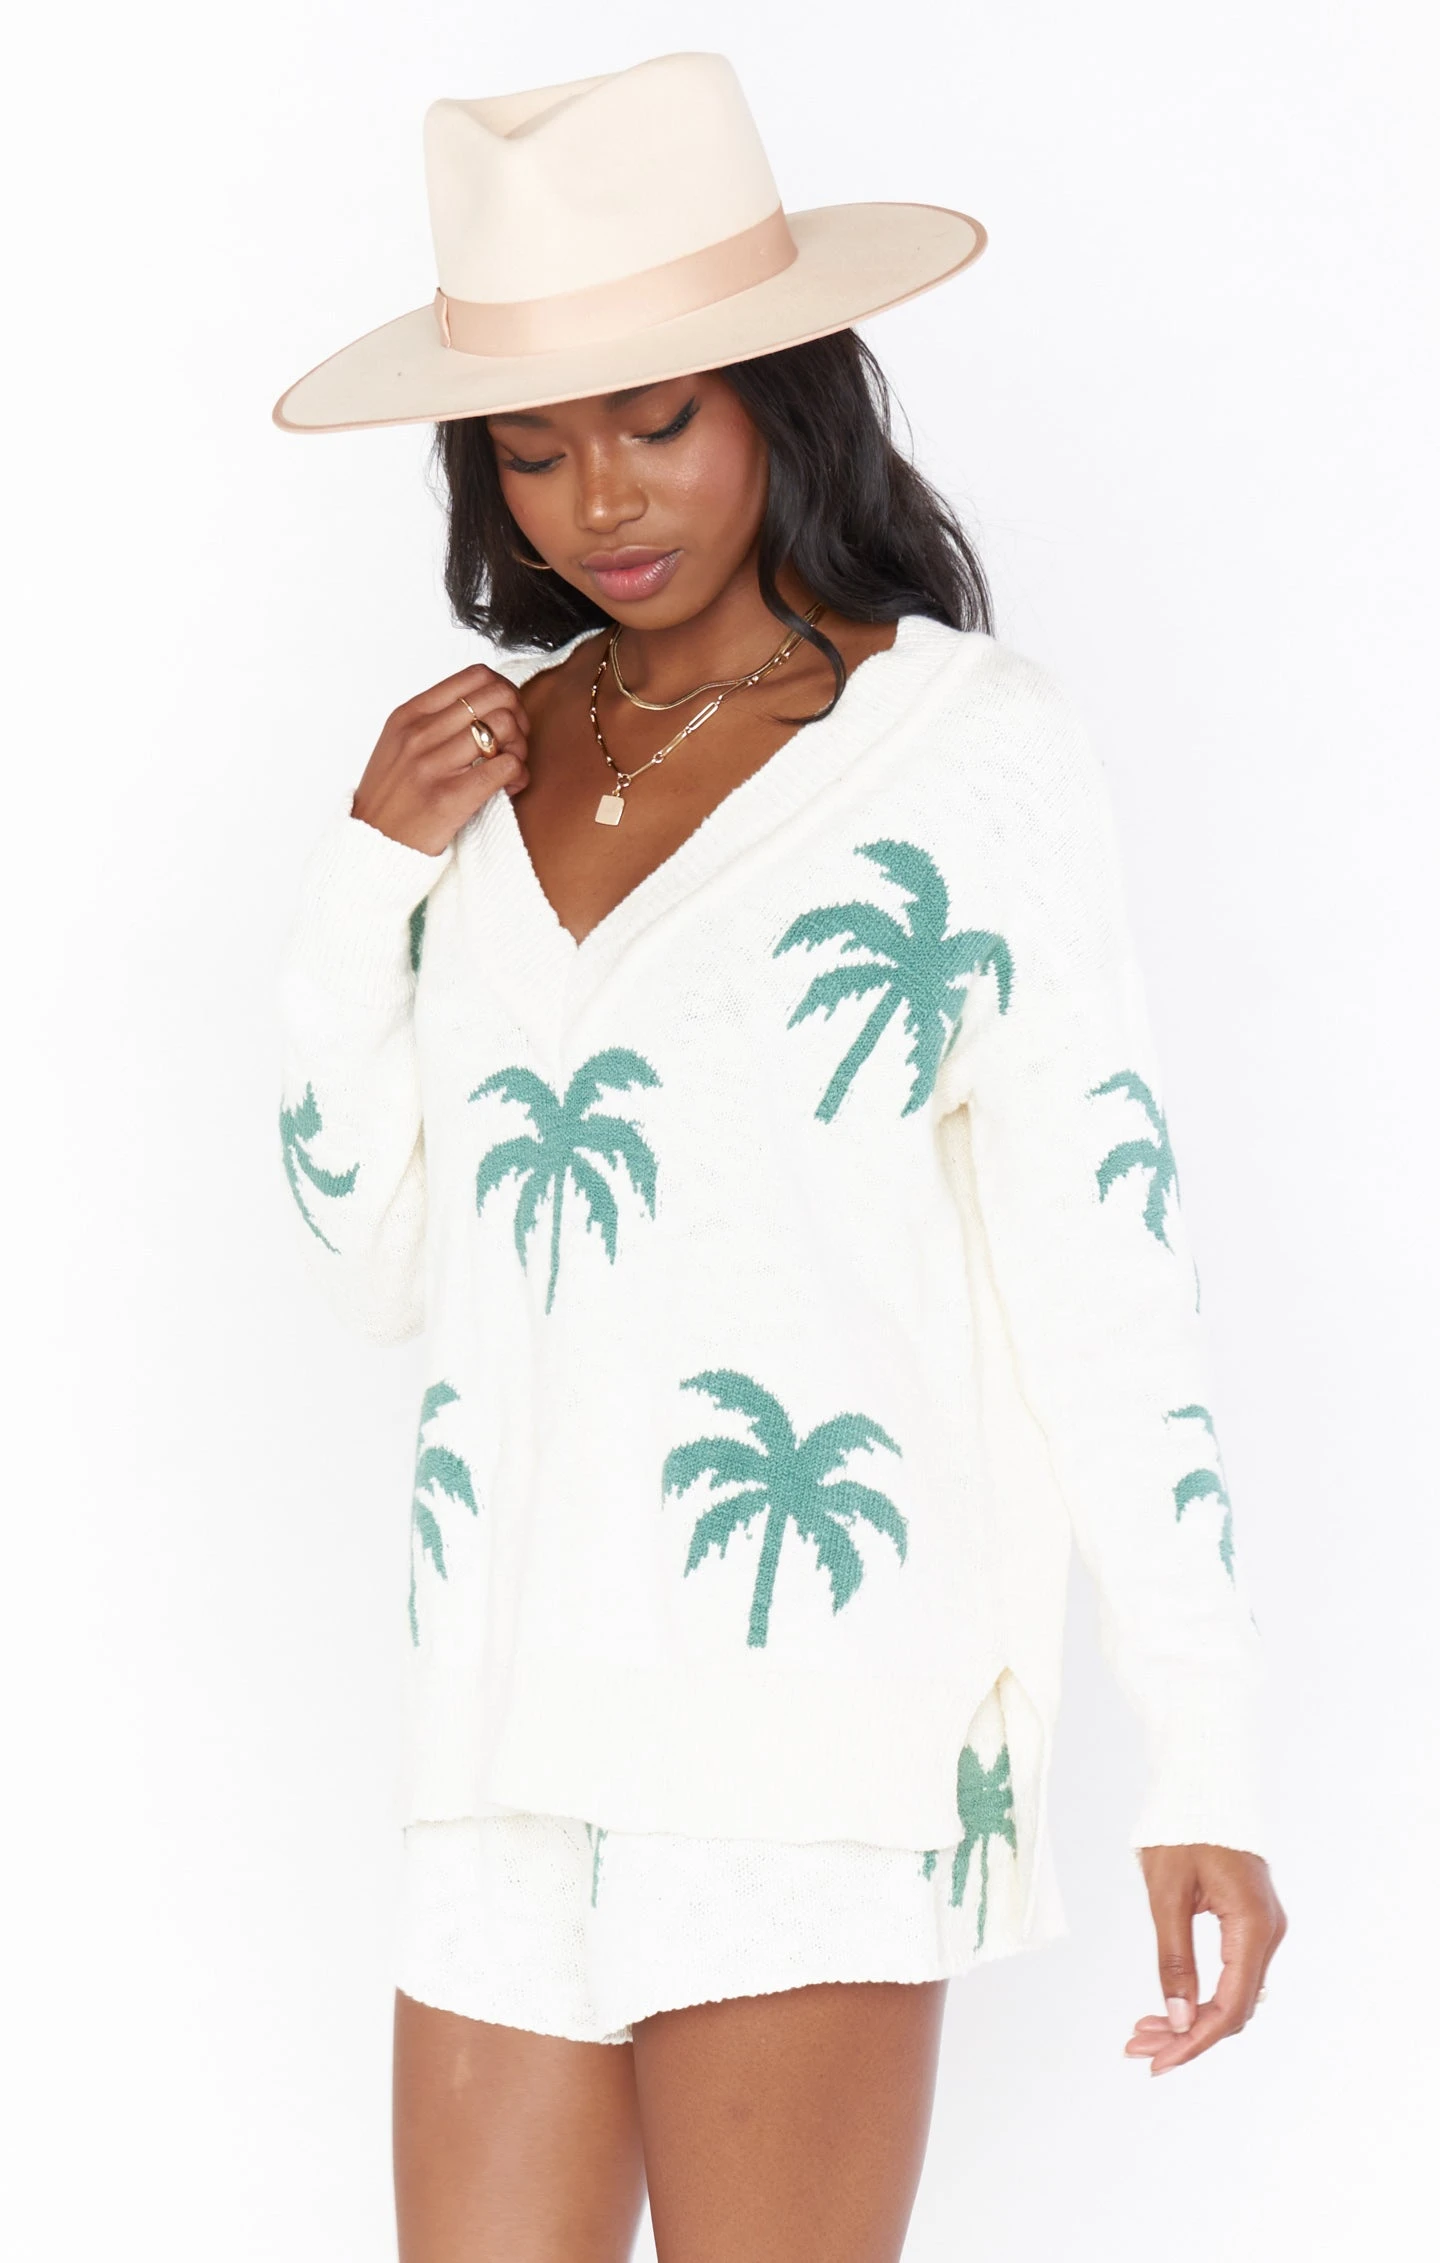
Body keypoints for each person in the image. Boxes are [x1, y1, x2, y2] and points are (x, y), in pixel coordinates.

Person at [272, 50, 1287, 2263]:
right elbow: (379, 1260)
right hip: (501, 1739)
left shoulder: (972, 755)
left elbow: (1102, 1266)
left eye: (659, 420)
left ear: (782, 399)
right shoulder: (480, 769)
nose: (598, 501)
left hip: (815, 1738)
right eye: (533, 448)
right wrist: (368, 875)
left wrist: (1203, 1752)